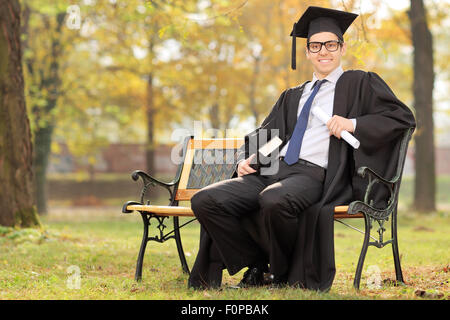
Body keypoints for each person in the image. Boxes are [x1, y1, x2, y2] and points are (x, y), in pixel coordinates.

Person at [187, 6, 416, 291]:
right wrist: (252, 158)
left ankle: (279, 275)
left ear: (342, 48)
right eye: (316, 46)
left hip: (312, 175)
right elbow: (271, 136)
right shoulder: (294, 95)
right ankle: (257, 262)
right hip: (272, 170)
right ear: (307, 52)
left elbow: (401, 118)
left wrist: (353, 123)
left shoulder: (360, 83)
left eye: (331, 45)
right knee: (205, 200)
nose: (324, 51)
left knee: (274, 200)